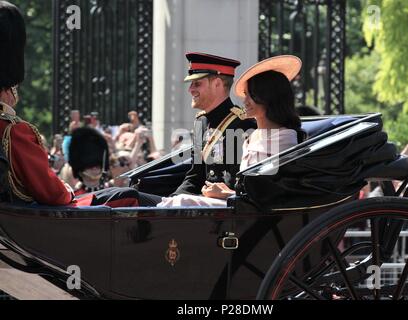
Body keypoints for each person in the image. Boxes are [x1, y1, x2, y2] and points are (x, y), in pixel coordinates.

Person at [0, 1, 158, 207]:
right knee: (128, 196)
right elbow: (54, 195)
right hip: (50, 221)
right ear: (9, 89)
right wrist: (65, 188)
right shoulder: (13, 131)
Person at [157, 55, 304, 207]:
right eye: (246, 95)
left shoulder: (243, 126)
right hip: (228, 202)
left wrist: (226, 194)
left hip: (243, 209)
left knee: (178, 203)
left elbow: (264, 190)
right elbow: (195, 176)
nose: (245, 101)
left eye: (197, 83)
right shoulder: (203, 122)